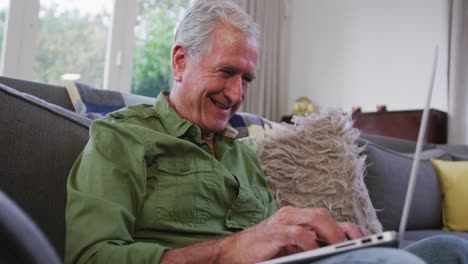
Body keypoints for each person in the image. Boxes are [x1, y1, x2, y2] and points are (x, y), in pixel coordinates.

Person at [65, 0, 468, 263]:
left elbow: (267, 239)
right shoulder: (120, 138)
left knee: (451, 249)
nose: (237, 94)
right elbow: (90, 256)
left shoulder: (241, 153)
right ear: (181, 61)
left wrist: (314, 240)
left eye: (247, 78)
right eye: (226, 72)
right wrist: (226, 251)